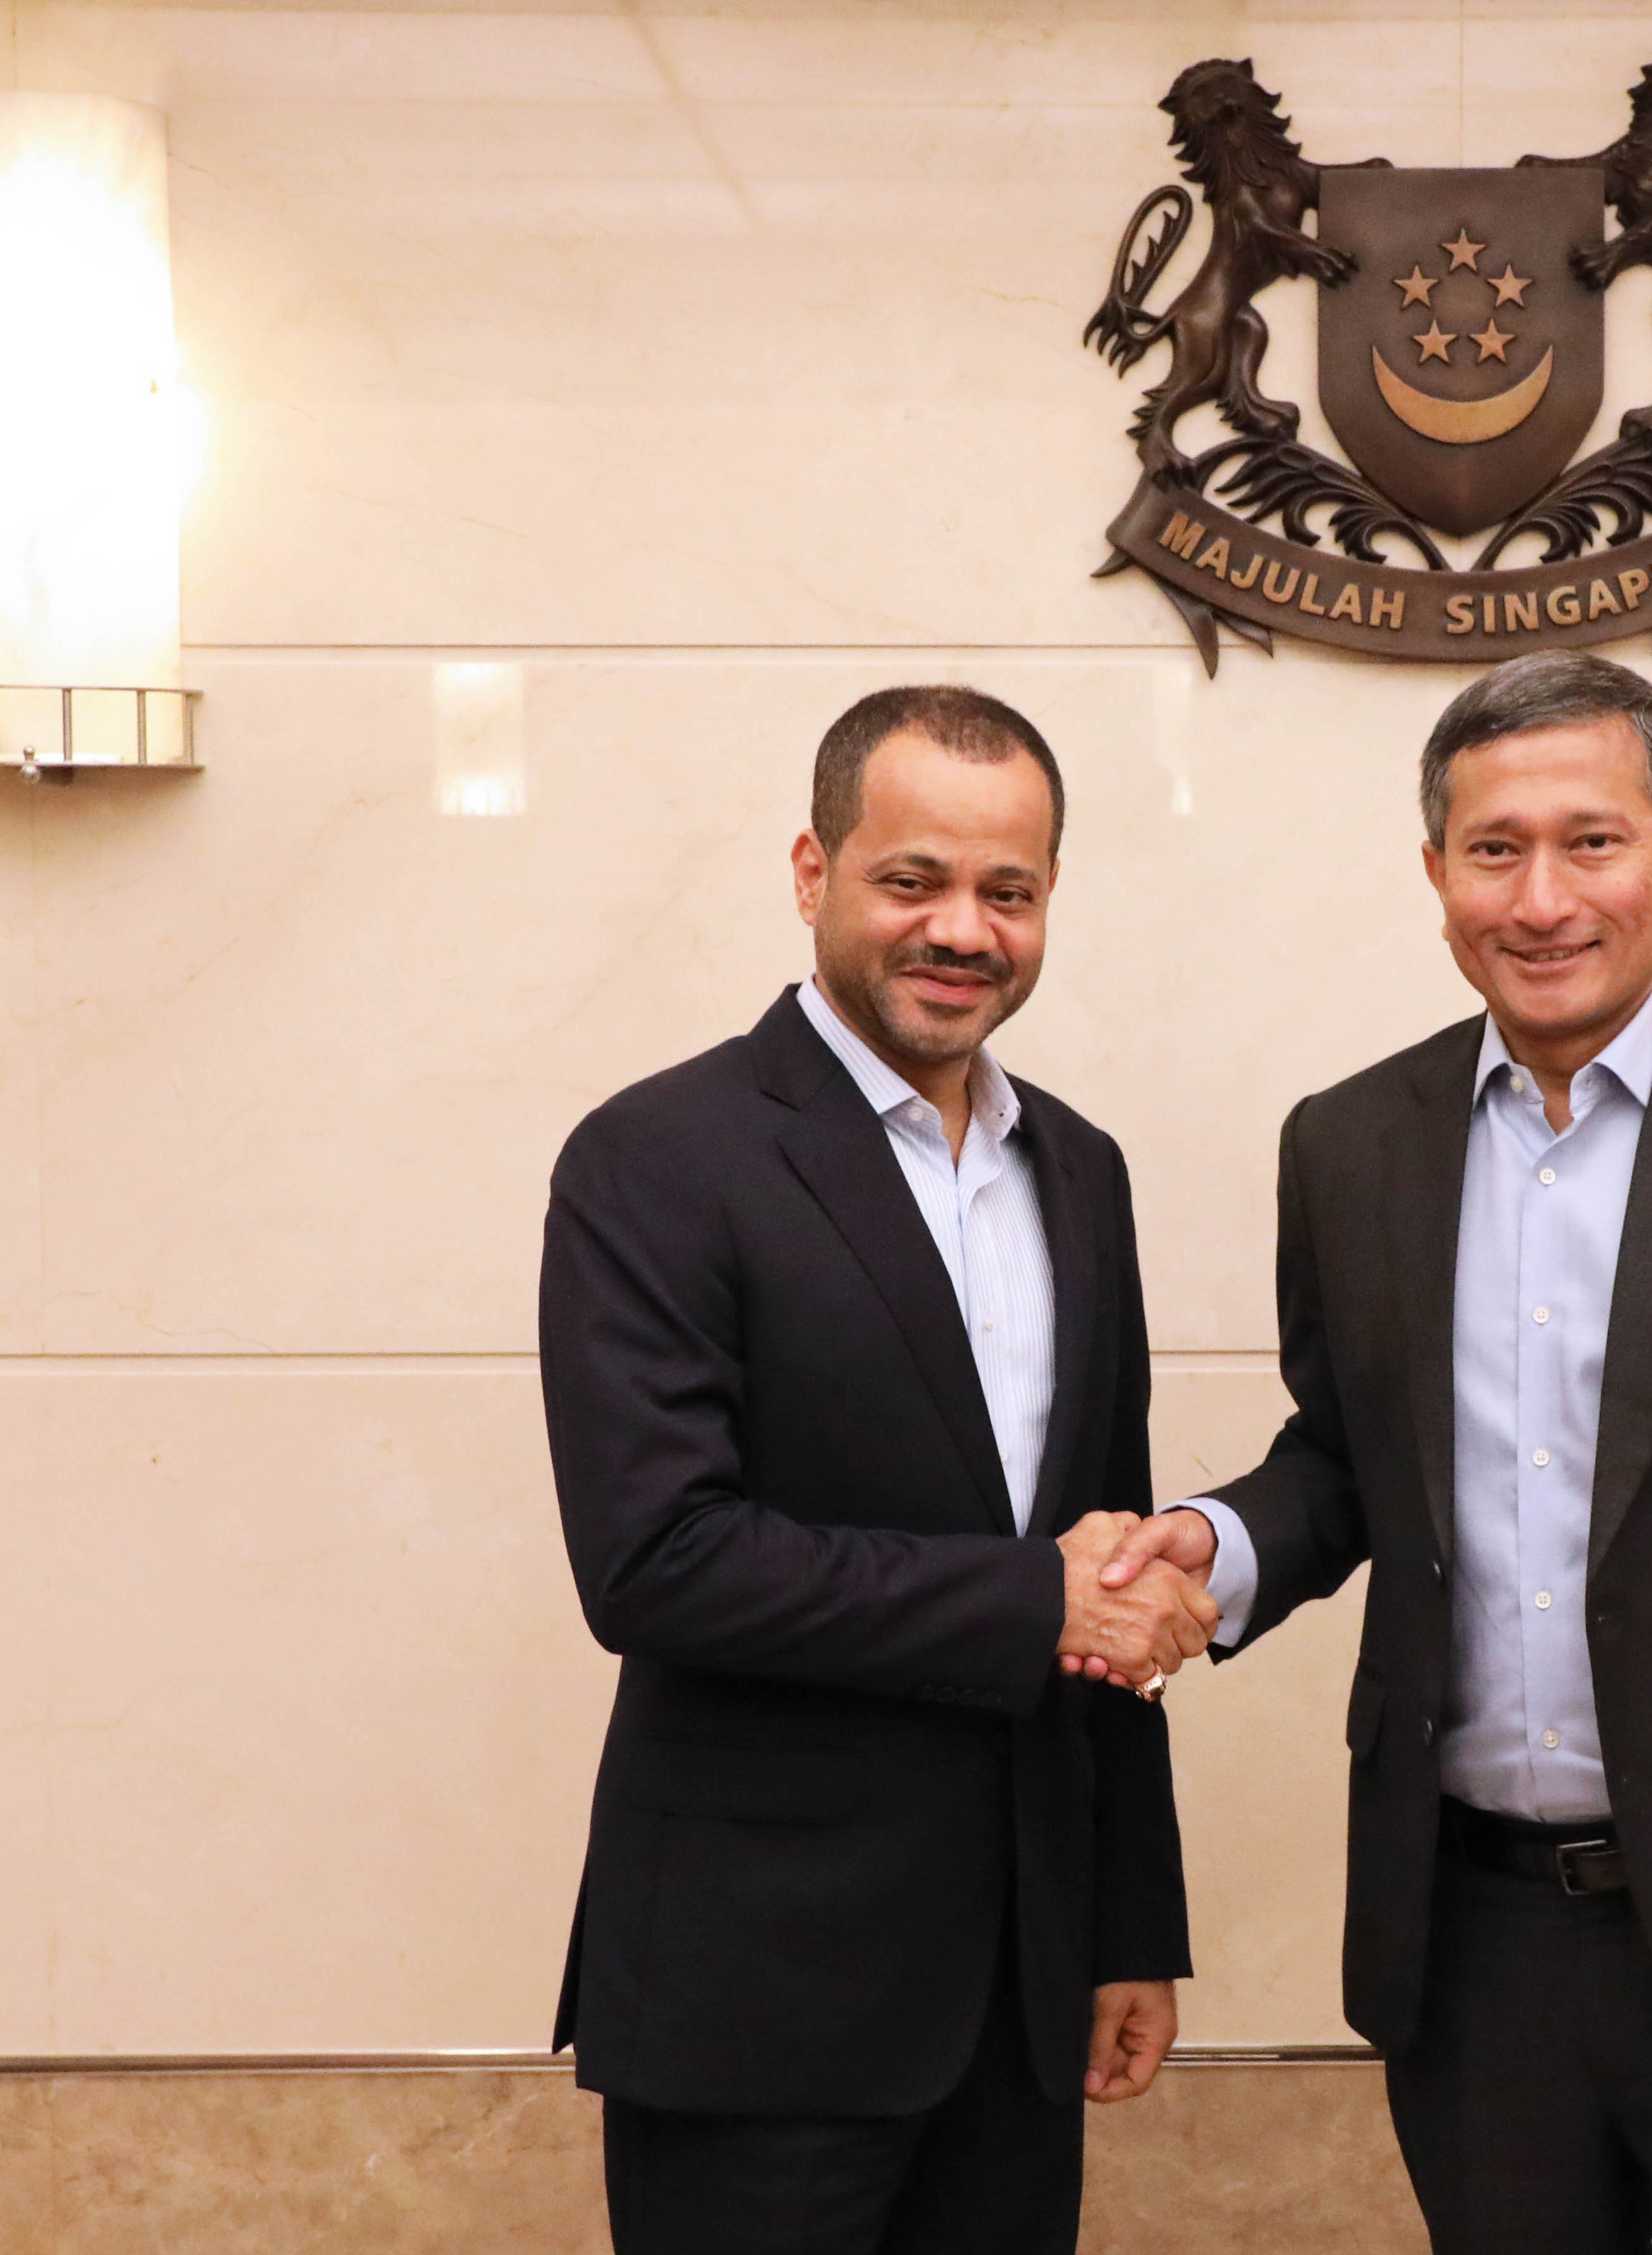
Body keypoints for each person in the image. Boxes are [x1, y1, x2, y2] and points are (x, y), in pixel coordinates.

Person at [1094, 650, 1652, 2255]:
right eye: (1495, 848)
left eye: (1592, 841)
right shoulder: (1351, 1143)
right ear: (1437, 876)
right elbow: (1347, 1454)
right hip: (1475, 1943)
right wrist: (1218, 1546)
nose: (1542, 897)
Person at [538, 685, 1217, 2254]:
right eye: (913, 879)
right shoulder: (660, 1156)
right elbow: (656, 1557)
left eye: (1010, 890)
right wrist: (1029, 1594)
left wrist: (1127, 1923)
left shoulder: (1082, 1172)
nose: (962, 929)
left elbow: (1105, 1560)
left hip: (1022, 1992)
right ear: (812, 870)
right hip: (757, 1997)